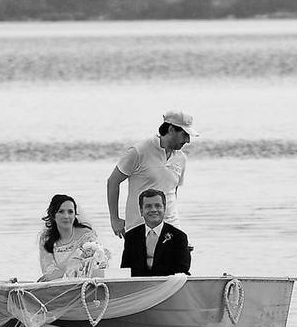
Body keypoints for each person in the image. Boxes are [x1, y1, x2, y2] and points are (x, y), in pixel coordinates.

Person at [107, 110, 198, 238]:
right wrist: (114, 219)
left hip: (171, 227)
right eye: (185, 134)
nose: (188, 140)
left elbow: (173, 192)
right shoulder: (139, 151)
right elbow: (113, 182)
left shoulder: (181, 158)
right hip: (138, 227)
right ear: (171, 129)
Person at [120, 188, 191, 277]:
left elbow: (183, 269)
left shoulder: (179, 236)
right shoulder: (131, 236)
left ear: (164, 209)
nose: (153, 210)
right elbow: (125, 269)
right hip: (138, 287)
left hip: (169, 286)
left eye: (157, 205)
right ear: (141, 211)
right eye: (148, 206)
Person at [38, 194, 105, 281]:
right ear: (53, 215)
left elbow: (90, 266)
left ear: (75, 214)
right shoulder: (46, 239)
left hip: (84, 284)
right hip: (57, 285)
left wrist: (63, 272)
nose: (66, 216)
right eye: (61, 211)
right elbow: (48, 270)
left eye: (70, 212)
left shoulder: (86, 235)